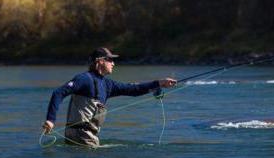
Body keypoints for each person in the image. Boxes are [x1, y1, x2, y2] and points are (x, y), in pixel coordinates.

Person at [42, 47, 176, 147]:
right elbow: (58, 93)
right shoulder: (84, 79)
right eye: (110, 60)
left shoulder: (107, 84)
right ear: (99, 61)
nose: (113, 63)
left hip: (83, 136)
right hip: (81, 136)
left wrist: (160, 83)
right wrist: (50, 120)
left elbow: (133, 89)